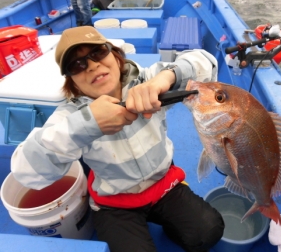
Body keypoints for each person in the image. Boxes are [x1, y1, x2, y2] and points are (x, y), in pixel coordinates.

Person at [11, 26, 224, 252]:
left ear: (115, 54)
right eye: (77, 64)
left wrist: (167, 76)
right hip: (115, 204)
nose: (92, 65)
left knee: (208, 231)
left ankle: (172, 224)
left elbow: (206, 64)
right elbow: (25, 172)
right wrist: (86, 125)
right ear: (71, 80)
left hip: (163, 185)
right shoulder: (71, 117)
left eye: (98, 52)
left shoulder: (147, 81)